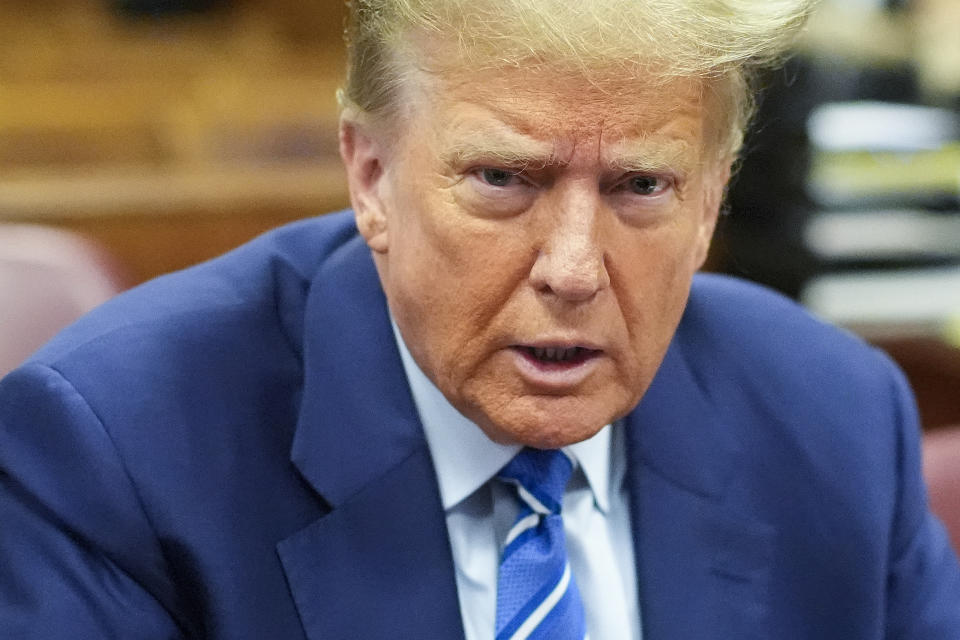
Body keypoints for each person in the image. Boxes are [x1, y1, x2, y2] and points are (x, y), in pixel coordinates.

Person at [1, 0, 959, 638]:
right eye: (504, 179)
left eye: (642, 186)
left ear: (710, 205)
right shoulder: (112, 450)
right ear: (370, 176)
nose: (575, 269)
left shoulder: (834, 416)